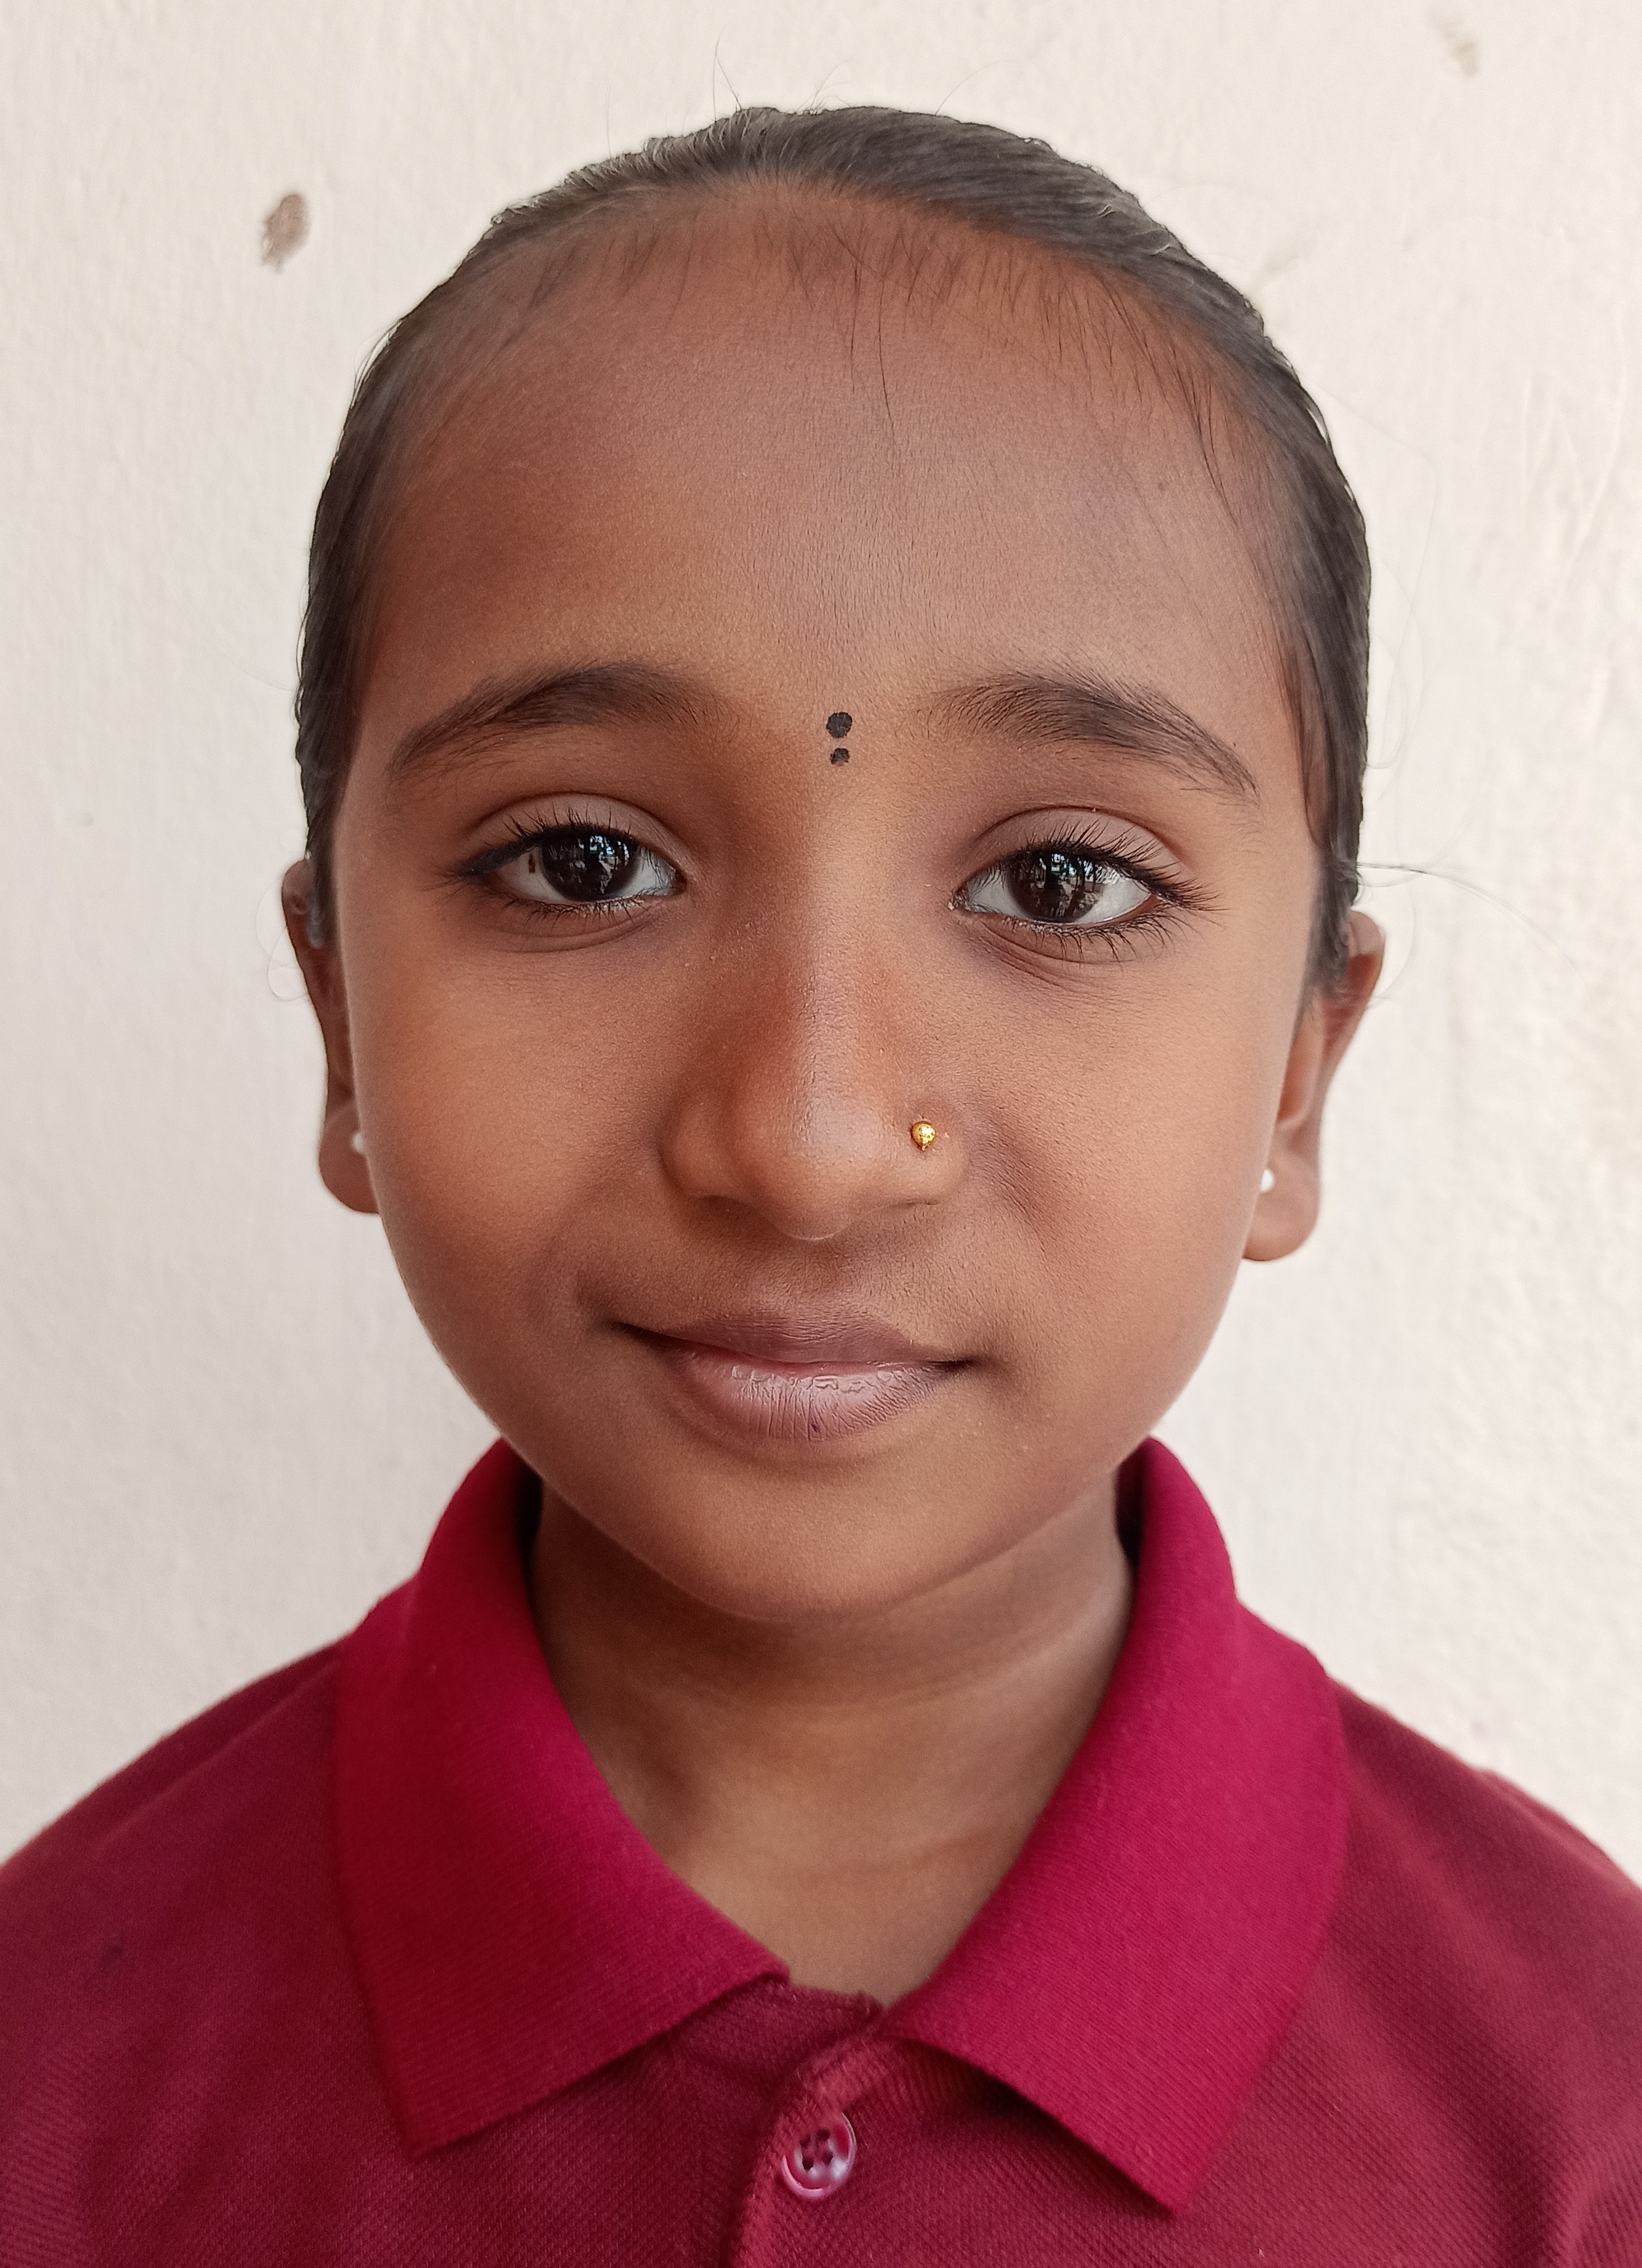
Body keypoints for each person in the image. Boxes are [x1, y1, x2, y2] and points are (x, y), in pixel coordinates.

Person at [2, 105, 1637, 2265]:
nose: (809, 1139)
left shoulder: (1581, 2121)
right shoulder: (56, 2081)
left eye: (1057, 883)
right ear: (338, 1027)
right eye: (584, 860)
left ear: (1295, 1079)